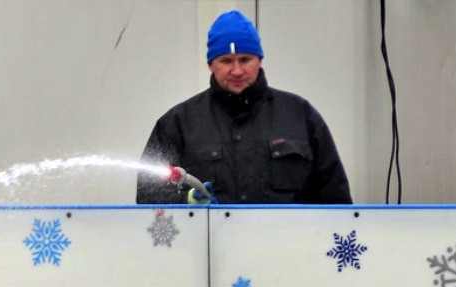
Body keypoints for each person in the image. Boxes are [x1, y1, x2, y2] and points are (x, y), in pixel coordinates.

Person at [136, 10, 352, 205]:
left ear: (259, 60)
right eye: (226, 61)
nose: (237, 71)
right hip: (207, 248)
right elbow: (148, 197)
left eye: (245, 59)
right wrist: (188, 201)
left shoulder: (301, 116)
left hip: (289, 247)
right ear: (211, 65)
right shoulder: (177, 123)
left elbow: (336, 200)